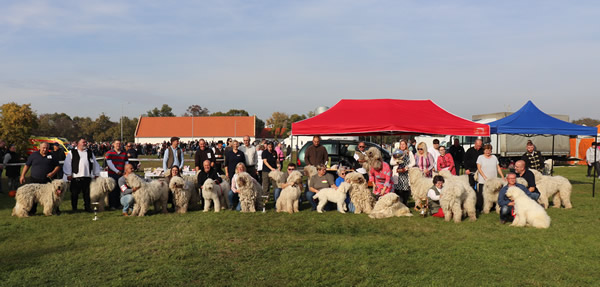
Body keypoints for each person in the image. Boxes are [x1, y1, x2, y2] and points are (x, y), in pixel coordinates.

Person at [19, 142, 60, 215]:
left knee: (52, 197)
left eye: (47, 148)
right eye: (43, 147)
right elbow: (27, 165)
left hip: (47, 180)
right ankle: (32, 211)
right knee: (33, 197)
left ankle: (53, 210)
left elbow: (58, 166)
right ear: (39, 148)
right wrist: (22, 175)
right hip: (35, 179)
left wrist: (53, 173)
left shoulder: (52, 155)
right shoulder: (33, 155)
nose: (45, 149)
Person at [63, 138, 101, 212]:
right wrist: (68, 174)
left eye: (85, 142)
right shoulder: (72, 152)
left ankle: (87, 208)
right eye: (83, 142)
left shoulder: (90, 152)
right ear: (78, 143)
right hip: (76, 176)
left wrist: (96, 173)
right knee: (74, 194)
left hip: (87, 176)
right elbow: (67, 164)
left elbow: (95, 163)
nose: (85, 144)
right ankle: (74, 209)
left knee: (86, 194)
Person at [476, 144, 504, 213]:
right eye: (486, 150)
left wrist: (502, 176)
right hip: (484, 180)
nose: (488, 151)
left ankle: (494, 207)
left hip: (494, 180)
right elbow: (479, 168)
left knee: (495, 194)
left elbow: (498, 167)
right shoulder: (480, 157)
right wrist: (484, 176)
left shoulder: (494, 157)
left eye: (489, 150)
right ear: (484, 150)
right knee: (482, 196)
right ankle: (480, 208)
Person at [105, 140, 128, 210]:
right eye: (117, 143)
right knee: (113, 190)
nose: (118, 145)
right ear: (113, 144)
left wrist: (125, 171)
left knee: (121, 189)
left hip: (122, 174)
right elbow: (109, 163)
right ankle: (112, 205)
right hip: (113, 174)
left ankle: (119, 204)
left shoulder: (124, 153)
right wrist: (117, 171)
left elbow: (126, 162)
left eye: (119, 144)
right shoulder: (109, 153)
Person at [391, 140, 415, 205]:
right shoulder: (396, 152)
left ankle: (405, 203)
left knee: (405, 189)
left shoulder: (409, 153)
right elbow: (391, 162)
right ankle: (398, 203)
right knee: (397, 189)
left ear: (406, 145)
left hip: (405, 173)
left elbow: (413, 162)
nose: (402, 146)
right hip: (398, 173)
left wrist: (407, 167)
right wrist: (397, 162)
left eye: (403, 144)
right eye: (401, 144)